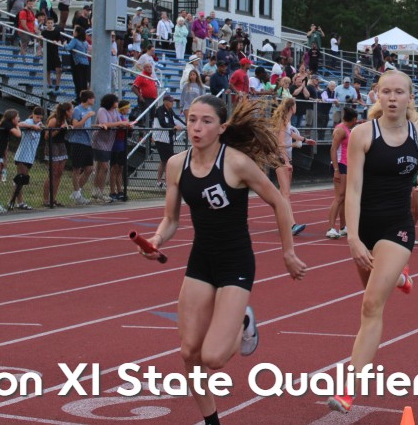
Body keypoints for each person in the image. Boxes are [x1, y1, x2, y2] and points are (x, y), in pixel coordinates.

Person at [138, 96, 306, 424]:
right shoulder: (176, 165)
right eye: (192, 120)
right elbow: (170, 219)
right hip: (201, 261)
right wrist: (156, 240)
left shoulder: (237, 163)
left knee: (213, 358)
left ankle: (243, 322)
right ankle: (212, 421)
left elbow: (279, 202)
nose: (197, 128)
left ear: (222, 127)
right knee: (189, 352)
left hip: (235, 263)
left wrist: (288, 252)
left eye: (206, 121)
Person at [327, 69, 418, 414]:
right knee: (371, 297)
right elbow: (353, 190)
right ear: (377, 95)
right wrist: (353, 238)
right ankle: (400, 278)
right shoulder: (362, 134)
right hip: (364, 227)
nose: (392, 98)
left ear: (410, 98)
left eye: (399, 92)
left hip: (397, 228)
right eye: (386, 91)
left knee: (371, 305)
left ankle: (349, 388)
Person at [270, 98, 315, 235]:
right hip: (281, 159)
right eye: (295, 105)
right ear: (291, 107)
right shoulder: (283, 122)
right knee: (285, 194)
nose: (296, 108)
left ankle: (284, 222)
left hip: (285, 158)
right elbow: (280, 144)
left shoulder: (286, 121)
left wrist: (305, 139)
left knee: (284, 194)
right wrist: (286, 161)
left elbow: (291, 133)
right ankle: (291, 224)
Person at [326, 108, 358, 239]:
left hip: (345, 165)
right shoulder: (340, 130)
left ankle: (343, 227)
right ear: (354, 119)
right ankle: (331, 228)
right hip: (340, 165)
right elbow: (333, 149)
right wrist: (336, 170)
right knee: (339, 197)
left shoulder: (346, 129)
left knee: (343, 197)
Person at [8, 107, 43, 210]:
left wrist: (39, 125)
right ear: (33, 115)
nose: (38, 120)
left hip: (30, 156)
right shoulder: (29, 122)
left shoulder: (40, 124)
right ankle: (12, 201)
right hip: (23, 155)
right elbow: (19, 124)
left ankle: (19, 202)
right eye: (37, 117)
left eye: (40, 118)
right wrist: (32, 126)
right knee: (21, 178)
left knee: (22, 180)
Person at [66, 90, 97, 204]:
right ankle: (77, 194)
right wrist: (87, 116)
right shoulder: (78, 110)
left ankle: (77, 191)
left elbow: (86, 125)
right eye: (92, 98)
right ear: (88, 99)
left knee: (89, 168)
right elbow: (76, 125)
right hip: (78, 141)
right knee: (77, 169)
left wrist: (97, 125)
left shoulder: (88, 109)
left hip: (87, 142)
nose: (94, 100)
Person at [43, 103, 72, 208]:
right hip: (53, 146)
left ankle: (53, 198)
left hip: (61, 146)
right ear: (66, 111)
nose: (72, 112)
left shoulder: (66, 120)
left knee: (59, 173)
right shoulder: (54, 120)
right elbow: (47, 136)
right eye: (71, 110)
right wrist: (59, 129)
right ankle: (46, 199)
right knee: (53, 173)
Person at [153, 94, 185, 191]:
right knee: (167, 160)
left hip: (168, 138)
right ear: (165, 101)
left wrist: (186, 125)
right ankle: (165, 181)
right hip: (161, 138)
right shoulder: (160, 110)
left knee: (164, 160)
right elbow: (162, 123)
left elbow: (176, 119)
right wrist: (173, 127)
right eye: (171, 101)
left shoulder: (170, 110)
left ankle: (160, 181)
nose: (172, 103)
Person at [65, 26, 91, 94]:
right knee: (84, 81)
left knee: (78, 81)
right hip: (86, 63)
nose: (73, 32)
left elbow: (68, 47)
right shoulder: (85, 42)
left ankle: (79, 96)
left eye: (74, 31)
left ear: (77, 32)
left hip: (78, 63)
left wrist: (64, 44)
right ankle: (84, 96)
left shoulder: (75, 40)